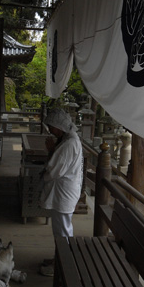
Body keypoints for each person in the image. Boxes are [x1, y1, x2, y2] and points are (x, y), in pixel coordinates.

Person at [38, 108, 83, 276]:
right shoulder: (68, 140)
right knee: (60, 229)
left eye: (51, 127)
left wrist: (50, 151)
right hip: (64, 192)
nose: (49, 130)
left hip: (64, 194)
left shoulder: (69, 144)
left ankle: (63, 265)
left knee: (63, 231)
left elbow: (53, 171)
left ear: (59, 126)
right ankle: (59, 257)